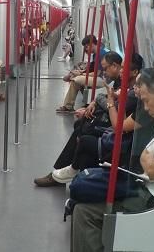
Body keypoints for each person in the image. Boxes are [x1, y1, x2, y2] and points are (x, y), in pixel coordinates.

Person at [70, 68, 154, 252]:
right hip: (146, 188)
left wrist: (152, 164)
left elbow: (153, 170)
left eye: (147, 101)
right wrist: (151, 163)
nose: (146, 108)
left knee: (85, 213)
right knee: (82, 204)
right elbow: (145, 155)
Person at [35, 53, 144, 187]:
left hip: (116, 131)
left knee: (84, 130)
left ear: (134, 72)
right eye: (121, 68)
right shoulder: (124, 83)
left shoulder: (133, 94)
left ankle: (65, 172)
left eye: (123, 68)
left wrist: (101, 100)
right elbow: (111, 96)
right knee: (81, 125)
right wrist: (96, 102)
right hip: (112, 121)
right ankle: (70, 172)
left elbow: (113, 106)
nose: (121, 71)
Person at [55, 35, 109, 113]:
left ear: (92, 44)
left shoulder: (101, 54)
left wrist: (81, 75)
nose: (86, 49)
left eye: (87, 47)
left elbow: (97, 73)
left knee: (77, 79)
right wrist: (81, 73)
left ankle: (68, 105)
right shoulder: (96, 54)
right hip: (99, 78)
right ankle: (68, 106)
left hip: (103, 80)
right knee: (76, 81)